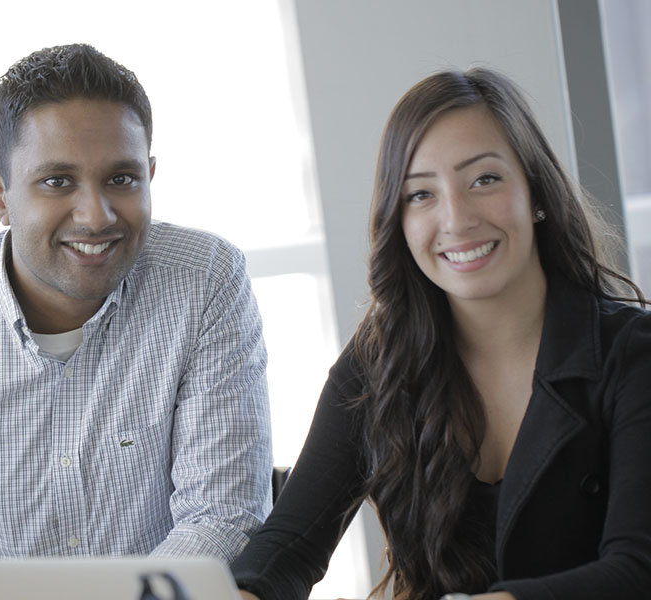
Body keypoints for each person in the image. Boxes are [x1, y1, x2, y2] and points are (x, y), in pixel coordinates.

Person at [0, 43, 272, 594]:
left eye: (121, 179)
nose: (96, 216)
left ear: (149, 175)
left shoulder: (206, 281)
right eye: (57, 181)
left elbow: (222, 517)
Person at [231, 67, 651, 600]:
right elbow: (291, 545)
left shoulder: (631, 353)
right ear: (399, 221)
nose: (456, 219)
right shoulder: (379, 359)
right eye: (421, 195)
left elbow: (636, 570)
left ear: (536, 192)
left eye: (484, 180)